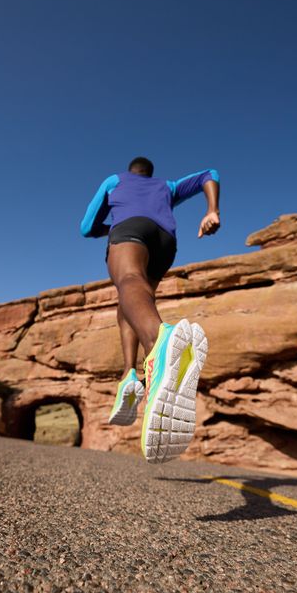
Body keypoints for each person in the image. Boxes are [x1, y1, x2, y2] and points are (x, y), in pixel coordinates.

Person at [79, 157, 221, 463]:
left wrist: (111, 227)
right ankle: (130, 374)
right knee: (134, 298)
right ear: (150, 173)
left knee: (128, 280)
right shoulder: (166, 187)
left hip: (130, 229)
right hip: (165, 241)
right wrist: (211, 210)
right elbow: (209, 174)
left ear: (132, 171)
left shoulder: (115, 180)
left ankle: (159, 344)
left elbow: (86, 227)